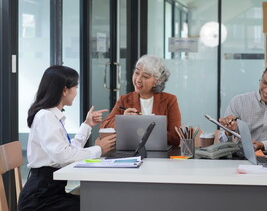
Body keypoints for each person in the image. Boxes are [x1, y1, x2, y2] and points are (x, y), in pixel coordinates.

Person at [18, 65, 116, 211]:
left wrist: (87, 125)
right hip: (39, 200)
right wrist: (99, 149)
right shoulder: (46, 116)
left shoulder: (52, 116)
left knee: (95, 202)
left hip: (48, 192)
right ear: (65, 90)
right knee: (96, 205)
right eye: (75, 87)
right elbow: (63, 156)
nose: (76, 92)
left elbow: (68, 151)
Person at [100, 55, 181, 147]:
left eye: (145, 77)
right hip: (129, 152)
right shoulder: (124, 100)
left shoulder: (169, 100)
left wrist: (148, 132)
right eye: (137, 73)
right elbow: (104, 127)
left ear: (157, 81)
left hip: (159, 155)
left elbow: (176, 137)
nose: (138, 80)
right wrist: (123, 119)